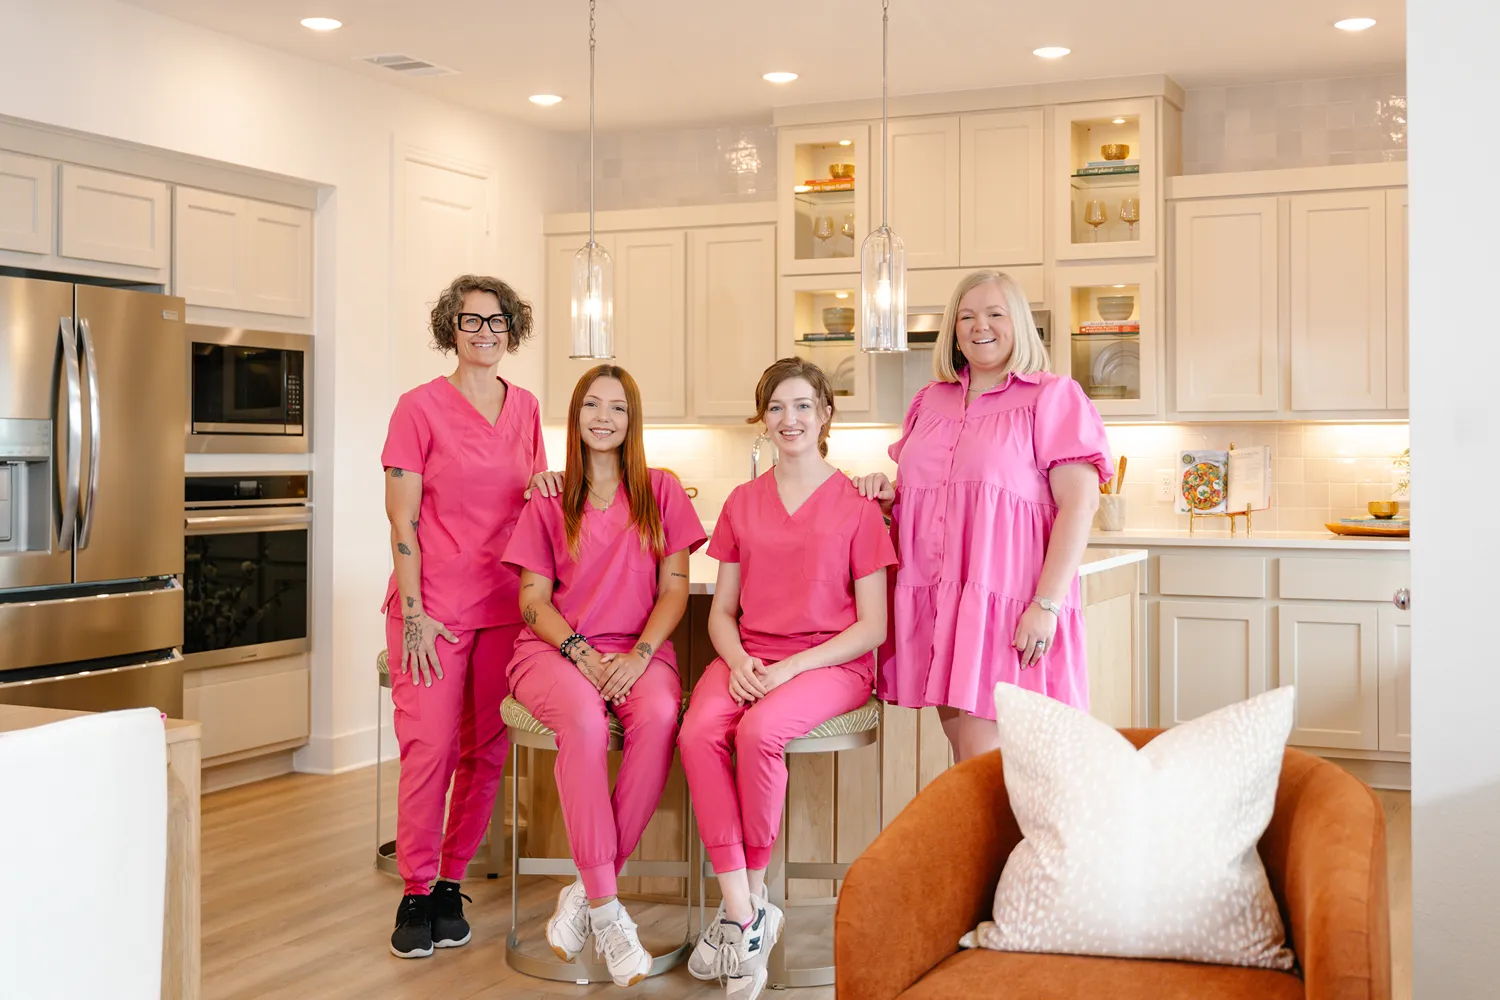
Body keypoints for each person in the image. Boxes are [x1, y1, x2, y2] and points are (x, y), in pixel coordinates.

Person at [679, 358, 896, 1000]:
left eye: (803, 405)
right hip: (750, 658)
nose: (790, 419)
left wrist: (791, 668)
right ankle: (745, 910)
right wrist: (741, 661)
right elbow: (721, 612)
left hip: (830, 663)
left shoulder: (858, 505)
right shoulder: (743, 502)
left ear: (826, 414)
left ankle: (743, 910)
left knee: (762, 731)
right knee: (696, 733)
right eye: (777, 407)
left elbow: (873, 626)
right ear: (762, 419)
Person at [501, 365, 706, 987]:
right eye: (592, 405)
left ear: (632, 419)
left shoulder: (663, 491)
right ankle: (609, 913)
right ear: (576, 414)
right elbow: (532, 600)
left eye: (617, 408)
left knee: (664, 716)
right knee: (586, 724)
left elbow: (674, 589)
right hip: (555, 651)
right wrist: (583, 653)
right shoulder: (549, 498)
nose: (603, 417)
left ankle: (586, 895)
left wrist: (639, 655)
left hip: (638, 652)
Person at [856, 269, 1112, 763]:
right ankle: (998, 843)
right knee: (969, 758)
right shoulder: (929, 401)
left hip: (1007, 604)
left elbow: (1080, 504)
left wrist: (1047, 605)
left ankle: (1013, 843)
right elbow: (925, 496)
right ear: (953, 330)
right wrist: (891, 501)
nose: (980, 326)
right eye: (966, 316)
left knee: (983, 760)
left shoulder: (1051, 397)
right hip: (935, 601)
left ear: (1018, 322)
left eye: (995, 313)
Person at [381, 274, 562, 959]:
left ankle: (453, 881)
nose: (484, 333)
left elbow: (533, 506)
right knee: (428, 750)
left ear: (511, 330)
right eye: (470, 321)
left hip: (503, 608)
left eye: (496, 322)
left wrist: (549, 488)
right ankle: (416, 889)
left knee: (485, 754)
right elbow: (402, 518)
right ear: (449, 329)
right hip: (432, 610)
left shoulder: (527, 408)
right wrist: (417, 613)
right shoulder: (418, 408)